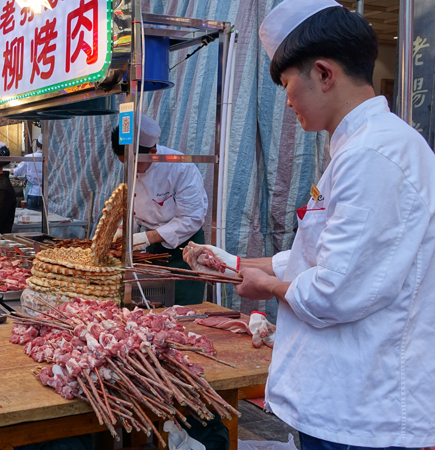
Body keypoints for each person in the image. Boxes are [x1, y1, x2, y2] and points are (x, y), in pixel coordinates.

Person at [184, 2, 435, 448]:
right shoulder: (357, 149)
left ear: (323, 73)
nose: (286, 100)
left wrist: (267, 287)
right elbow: (316, 257)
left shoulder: (372, 156)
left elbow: (335, 289)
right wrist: (238, 262)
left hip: (359, 413)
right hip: (340, 402)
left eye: (286, 84)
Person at [110, 115, 208, 305]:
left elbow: (192, 218)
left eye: (136, 164)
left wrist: (147, 237)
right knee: (149, 308)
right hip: (152, 252)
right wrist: (123, 230)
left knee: (183, 310)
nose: (133, 170)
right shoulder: (133, 167)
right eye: (126, 164)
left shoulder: (181, 167)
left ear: (153, 152)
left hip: (185, 251)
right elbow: (133, 206)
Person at [13, 134, 44, 211]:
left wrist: (12, 170)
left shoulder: (29, 157)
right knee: (44, 218)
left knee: (31, 217)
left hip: (32, 193)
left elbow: (17, 172)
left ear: (36, 145)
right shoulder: (50, 158)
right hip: (45, 193)